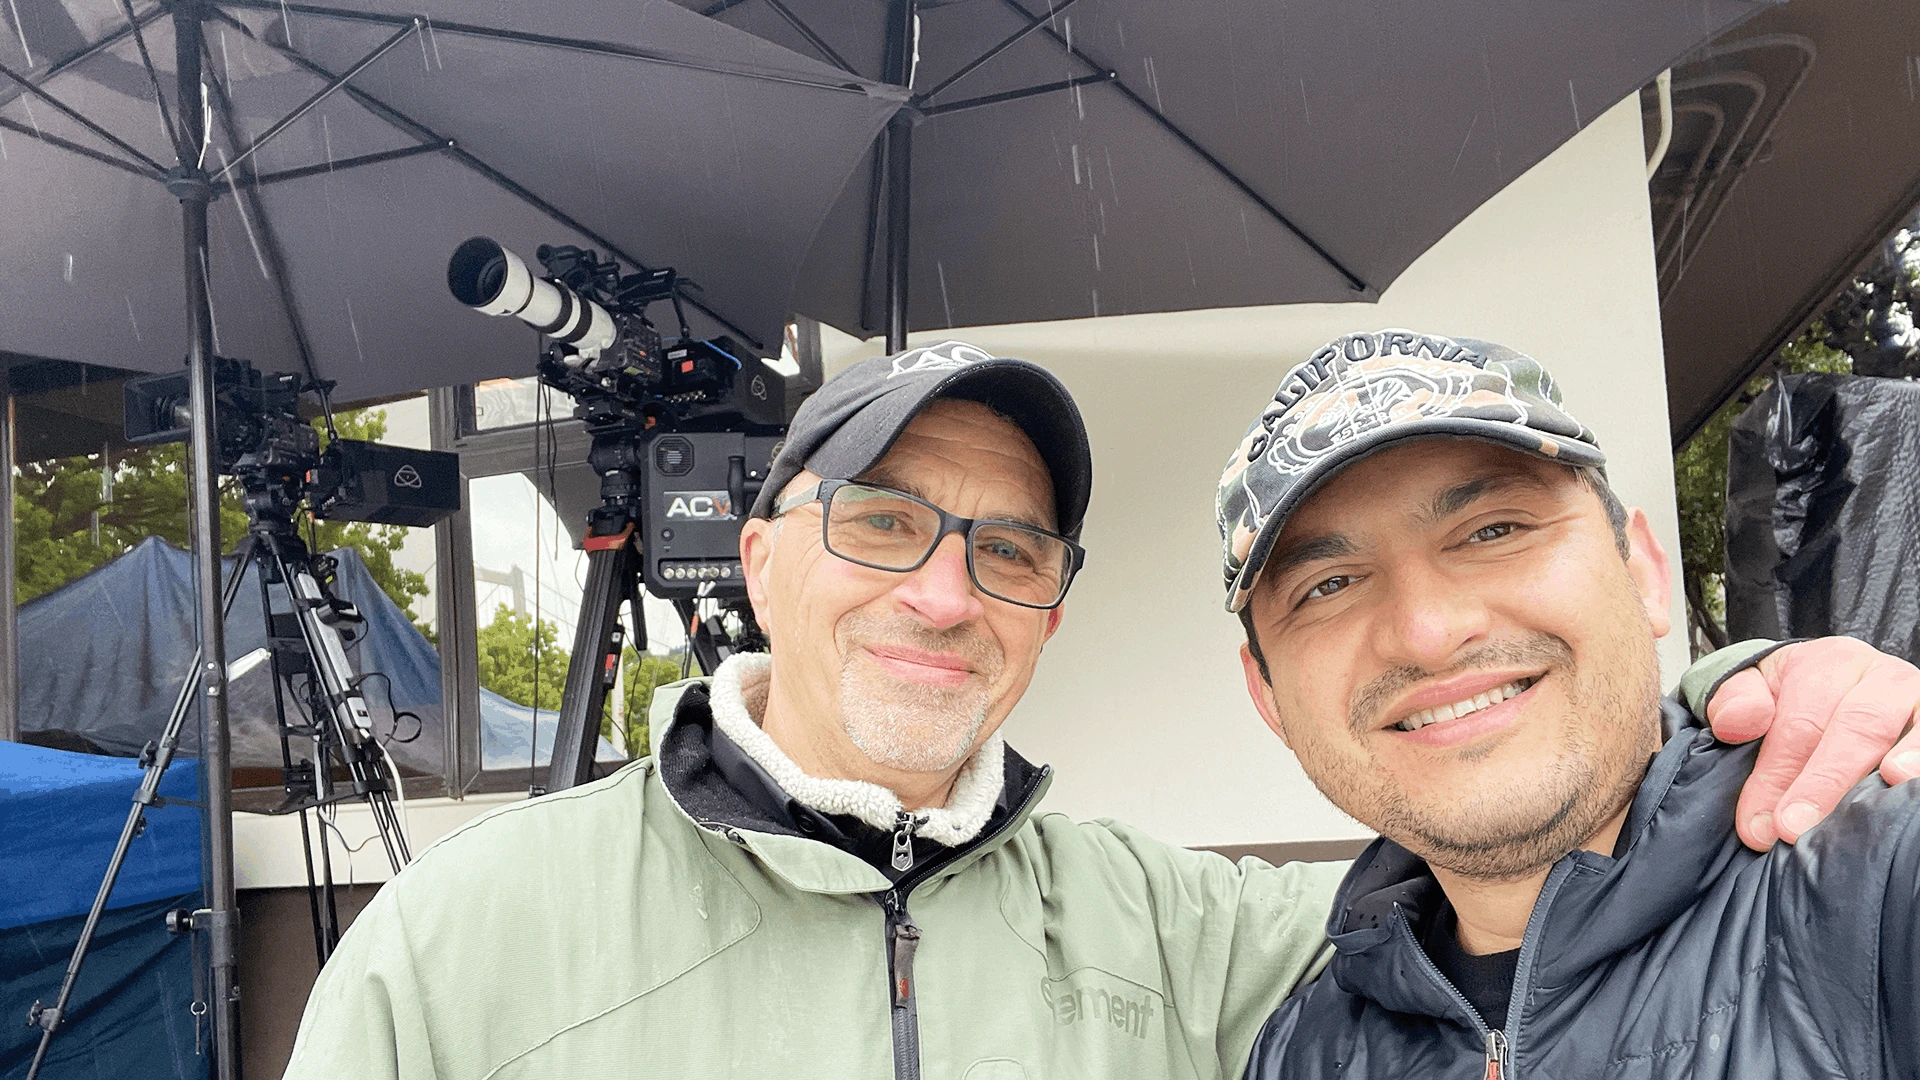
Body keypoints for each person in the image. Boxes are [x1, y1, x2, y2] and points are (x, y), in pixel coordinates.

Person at [285, 340, 1917, 1080]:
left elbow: (1509, 837)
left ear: (1052, 605)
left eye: (1008, 549)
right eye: (881, 524)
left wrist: (1737, 699)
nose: (945, 594)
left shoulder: (1201, 941)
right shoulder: (457, 951)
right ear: (760, 561)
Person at [1225, 330, 1920, 1080]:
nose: (1426, 634)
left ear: (1646, 574)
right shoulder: (1303, 1050)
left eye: (1494, 530)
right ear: (1270, 701)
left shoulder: (1881, 882)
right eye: (1327, 586)